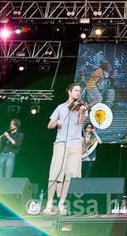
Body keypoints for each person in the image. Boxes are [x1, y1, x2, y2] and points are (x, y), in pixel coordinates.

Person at [45, 83, 87, 215]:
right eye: (76, 90)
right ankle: (49, 202)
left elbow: (81, 122)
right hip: (61, 143)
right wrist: (57, 122)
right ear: (69, 92)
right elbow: (49, 125)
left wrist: (83, 112)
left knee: (70, 174)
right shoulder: (61, 107)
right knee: (55, 173)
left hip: (74, 143)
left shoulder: (80, 107)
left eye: (80, 91)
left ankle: (61, 203)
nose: (78, 93)